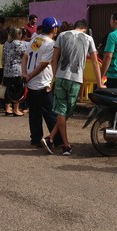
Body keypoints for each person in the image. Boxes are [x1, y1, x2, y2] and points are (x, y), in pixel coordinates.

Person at [42, 19, 104, 156]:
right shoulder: (88, 39)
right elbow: (95, 61)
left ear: (75, 26)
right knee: (67, 112)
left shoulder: (62, 35)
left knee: (61, 112)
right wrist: (99, 83)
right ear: (85, 29)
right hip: (75, 80)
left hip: (60, 77)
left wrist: (54, 77)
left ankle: (51, 138)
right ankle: (64, 145)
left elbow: (54, 59)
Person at [22, 17, 63, 147]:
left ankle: (35, 138)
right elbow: (43, 65)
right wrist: (30, 76)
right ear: (54, 28)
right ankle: (56, 139)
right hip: (42, 82)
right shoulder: (51, 44)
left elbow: (25, 56)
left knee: (34, 113)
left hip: (31, 84)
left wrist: (25, 74)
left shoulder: (36, 39)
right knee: (50, 113)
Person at [3, 27, 27, 116]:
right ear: (18, 34)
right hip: (17, 69)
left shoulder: (6, 43)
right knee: (17, 89)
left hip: (7, 69)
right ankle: (16, 109)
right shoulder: (19, 44)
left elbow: (3, 57)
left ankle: (7, 108)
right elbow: (25, 55)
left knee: (8, 89)